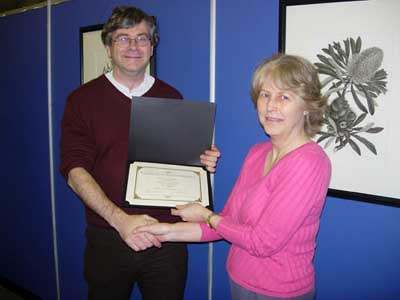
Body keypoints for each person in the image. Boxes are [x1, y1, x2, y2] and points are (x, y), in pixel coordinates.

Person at [136, 54, 332, 300]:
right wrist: (165, 231)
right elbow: (226, 223)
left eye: (284, 97)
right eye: (265, 94)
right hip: (239, 281)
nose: (271, 106)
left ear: (306, 106)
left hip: (280, 291)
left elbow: (262, 242)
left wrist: (206, 215)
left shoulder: (309, 162)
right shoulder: (258, 152)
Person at [59, 6, 220, 300]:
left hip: (166, 239)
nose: (133, 46)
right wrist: (122, 221)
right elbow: (74, 171)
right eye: (123, 38)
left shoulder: (171, 97)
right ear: (108, 47)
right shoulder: (82, 100)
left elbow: (177, 166)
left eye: (142, 38)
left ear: (152, 46)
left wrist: (199, 163)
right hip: (108, 237)